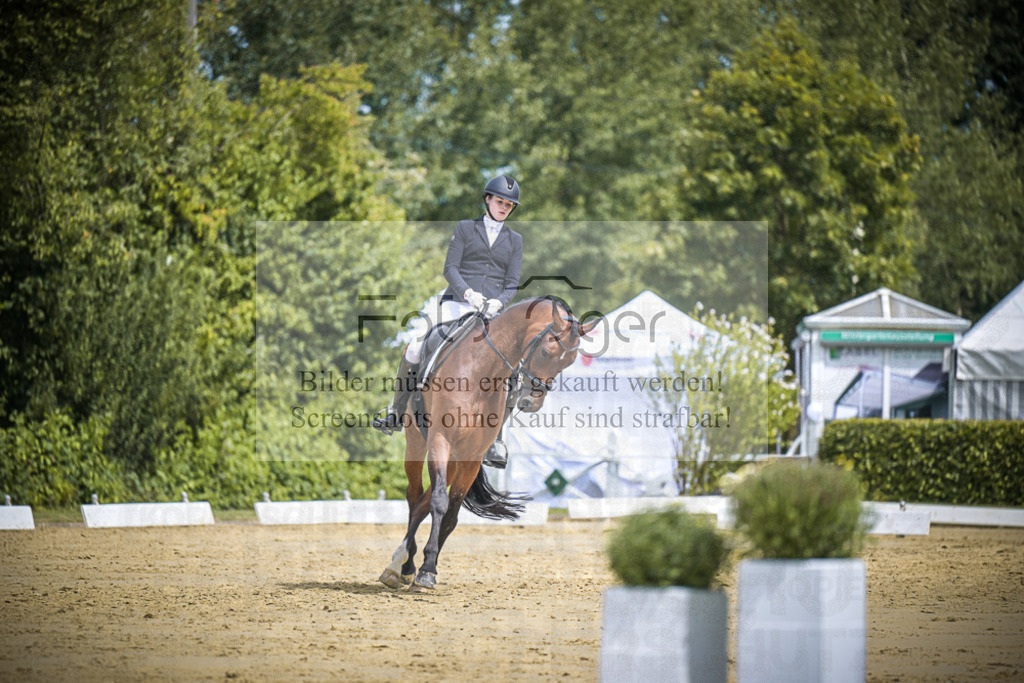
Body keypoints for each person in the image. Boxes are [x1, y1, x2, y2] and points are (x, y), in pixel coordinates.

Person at [372, 175, 524, 468]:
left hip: (492, 311)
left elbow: (512, 282)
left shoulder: (515, 240)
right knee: (415, 347)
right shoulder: (466, 228)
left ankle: (497, 439)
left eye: (509, 205)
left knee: (513, 369)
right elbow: (450, 268)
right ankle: (395, 411)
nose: (504, 207)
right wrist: (468, 293)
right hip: (457, 303)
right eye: (500, 201)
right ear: (488, 199)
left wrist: (500, 302)